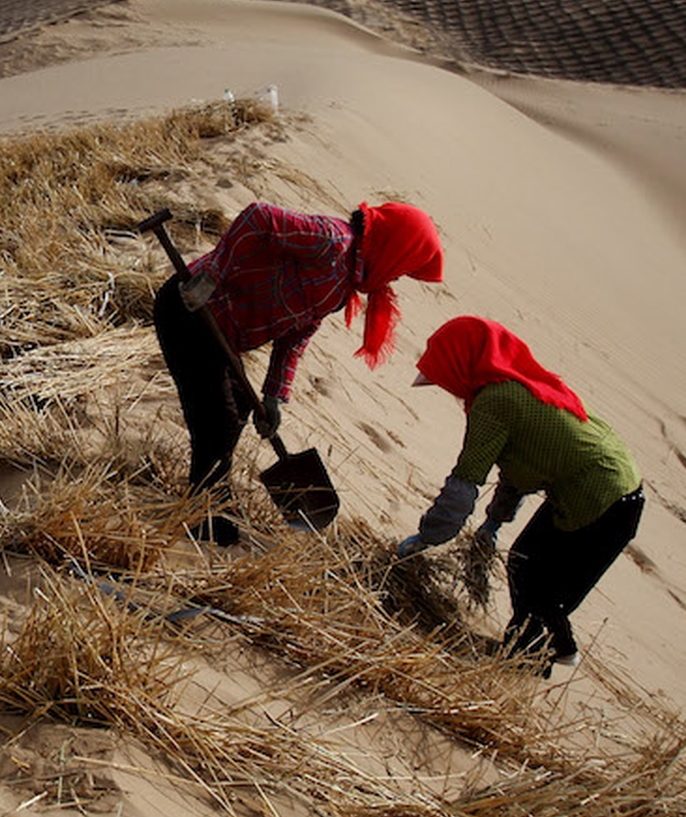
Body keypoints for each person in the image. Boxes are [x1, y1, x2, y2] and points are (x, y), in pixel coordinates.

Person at [153, 200, 444, 546]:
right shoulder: (332, 241)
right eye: (401, 269)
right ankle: (204, 512)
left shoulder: (342, 288)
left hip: (223, 336)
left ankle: (211, 498)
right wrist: (213, 273)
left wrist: (274, 394)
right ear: (393, 248)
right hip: (191, 310)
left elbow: (296, 334)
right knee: (218, 422)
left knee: (237, 412)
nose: (395, 278)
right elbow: (258, 218)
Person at [396, 315, 643, 675]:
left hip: (601, 497)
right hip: (608, 485)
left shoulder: (494, 402)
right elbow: (519, 470)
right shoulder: (515, 387)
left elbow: (464, 484)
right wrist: (492, 524)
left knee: (543, 586)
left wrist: (425, 539)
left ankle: (554, 651)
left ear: (460, 366)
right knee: (524, 564)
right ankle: (525, 651)